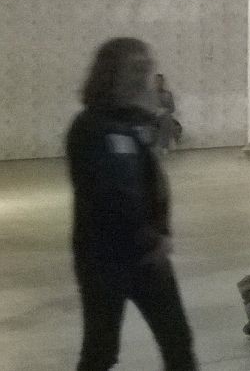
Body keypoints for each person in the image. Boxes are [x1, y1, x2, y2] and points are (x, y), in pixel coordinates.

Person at [67, 38, 198, 371]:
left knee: (177, 341)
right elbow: (105, 198)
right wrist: (149, 238)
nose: (144, 76)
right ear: (111, 73)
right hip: (103, 261)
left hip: (148, 258)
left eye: (147, 67)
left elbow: (154, 184)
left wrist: (162, 231)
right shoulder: (88, 128)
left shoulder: (138, 123)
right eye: (136, 68)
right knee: (101, 351)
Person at [152, 74, 181, 152]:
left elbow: (172, 108)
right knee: (168, 119)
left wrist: (164, 110)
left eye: (160, 81)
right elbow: (147, 107)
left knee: (167, 118)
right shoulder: (151, 94)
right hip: (153, 117)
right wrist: (156, 111)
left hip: (165, 116)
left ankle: (164, 146)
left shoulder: (168, 94)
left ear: (163, 82)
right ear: (155, 82)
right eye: (157, 81)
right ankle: (170, 141)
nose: (159, 83)